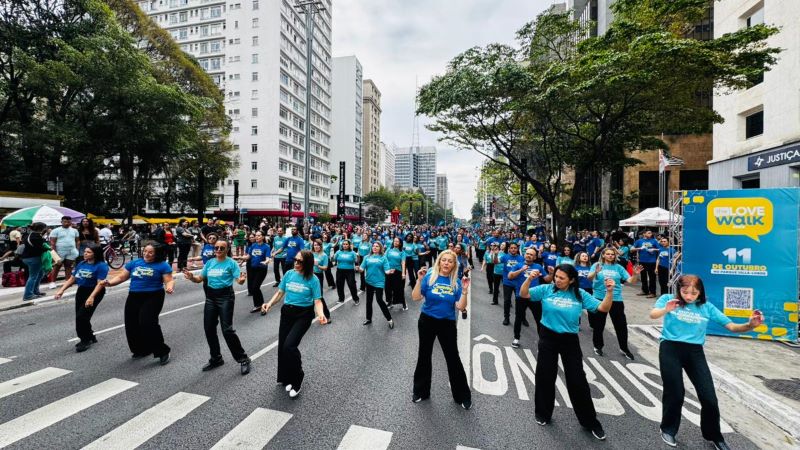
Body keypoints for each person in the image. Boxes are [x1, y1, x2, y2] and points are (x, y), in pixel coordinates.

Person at [649, 275, 763, 450]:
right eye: (685, 292)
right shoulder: (667, 299)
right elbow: (653, 315)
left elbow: (732, 327)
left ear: (700, 292)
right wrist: (666, 309)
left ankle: (713, 435)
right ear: (678, 289)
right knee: (675, 392)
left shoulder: (706, 307)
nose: (689, 296)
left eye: (694, 293)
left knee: (709, 396)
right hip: (670, 348)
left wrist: (750, 325)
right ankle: (668, 429)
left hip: (695, 352)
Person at [519, 264, 615, 441]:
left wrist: (609, 292)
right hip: (547, 337)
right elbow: (524, 294)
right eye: (556, 276)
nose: (557, 280)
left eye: (562, 278)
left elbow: (603, 308)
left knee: (577, 380)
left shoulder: (579, 294)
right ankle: (543, 413)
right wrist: (529, 279)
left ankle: (590, 421)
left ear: (571, 280)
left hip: (570, 340)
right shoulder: (547, 289)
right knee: (545, 376)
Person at [261, 250, 328, 398]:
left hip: (303, 315)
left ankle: (298, 377)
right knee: (283, 348)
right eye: (295, 260)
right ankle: (287, 378)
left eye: (300, 261)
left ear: (308, 264)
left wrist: (321, 314)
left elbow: (317, 300)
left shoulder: (313, 279)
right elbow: (280, 293)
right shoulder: (289, 274)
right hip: (287, 313)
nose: (296, 263)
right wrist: (269, 304)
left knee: (290, 346)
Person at [410, 250, 471, 410]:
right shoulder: (430, 276)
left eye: (450, 261)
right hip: (427, 320)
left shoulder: (456, 282)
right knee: (424, 355)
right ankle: (421, 391)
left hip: (447, 323)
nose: (446, 263)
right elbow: (416, 297)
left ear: (454, 265)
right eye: (443, 260)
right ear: (439, 262)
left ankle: (462, 395)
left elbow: (460, 307)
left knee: (453, 358)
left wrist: (464, 291)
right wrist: (419, 280)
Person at [183, 239, 251, 375]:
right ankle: (216, 358)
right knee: (209, 328)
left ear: (227, 250)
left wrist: (242, 279)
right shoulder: (210, 263)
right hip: (211, 297)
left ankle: (243, 359)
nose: (218, 250)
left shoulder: (231, 263)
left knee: (227, 330)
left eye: (221, 248)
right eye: (216, 248)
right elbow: (199, 279)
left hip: (225, 297)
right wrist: (191, 277)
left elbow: (240, 280)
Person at [101, 244, 174, 365]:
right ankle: (141, 349)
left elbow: (169, 280)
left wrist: (169, 287)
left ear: (157, 253)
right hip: (134, 295)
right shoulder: (134, 263)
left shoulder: (162, 265)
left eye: (150, 252)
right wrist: (109, 283)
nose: (146, 254)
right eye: (145, 251)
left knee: (147, 322)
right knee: (131, 323)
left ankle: (162, 351)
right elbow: (121, 277)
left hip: (153, 296)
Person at [587, 247, 642, 359]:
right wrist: (595, 273)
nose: (611, 256)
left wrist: (635, 274)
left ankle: (624, 348)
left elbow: (630, 281)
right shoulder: (597, 265)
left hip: (616, 299)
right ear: (603, 255)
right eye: (608, 254)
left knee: (621, 325)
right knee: (599, 324)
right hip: (599, 298)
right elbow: (589, 278)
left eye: (612, 254)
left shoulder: (618, 267)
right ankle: (598, 346)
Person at [54, 244, 109, 352]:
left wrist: (91, 297)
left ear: (95, 254)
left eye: (88, 252)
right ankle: (90, 336)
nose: (85, 254)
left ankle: (85, 340)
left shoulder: (101, 266)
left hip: (95, 291)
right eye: (85, 252)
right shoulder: (82, 264)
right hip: (82, 291)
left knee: (82, 316)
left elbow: (100, 284)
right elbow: (72, 279)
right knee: (81, 315)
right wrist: (61, 290)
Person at [509, 247, 551, 349]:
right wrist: (521, 270)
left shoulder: (538, 267)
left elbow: (547, 280)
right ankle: (516, 338)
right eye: (527, 253)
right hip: (521, 296)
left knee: (539, 319)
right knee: (518, 318)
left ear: (535, 257)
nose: (528, 255)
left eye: (531, 254)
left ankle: (542, 341)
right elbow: (510, 276)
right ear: (524, 255)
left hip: (535, 297)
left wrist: (551, 273)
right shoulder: (518, 265)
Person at [357, 241, 394, 328]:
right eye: (373, 246)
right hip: (369, 281)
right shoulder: (367, 257)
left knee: (379, 300)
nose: (374, 247)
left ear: (380, 248)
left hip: (379, 282)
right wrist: (358, 268)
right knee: (368, 301)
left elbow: (386, 270)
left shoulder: (383, 258)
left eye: (377, 246)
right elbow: (362, 269)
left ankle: (390, 319)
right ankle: (368, 319)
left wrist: (390, 272)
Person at [243, 231, 271, 313]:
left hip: (261, 269)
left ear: (263, 237)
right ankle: (258, 305)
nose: (257, 237)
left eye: (259, 236)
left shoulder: (266, 247)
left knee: (255, 287)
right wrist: (240, 257)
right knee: (253, 288)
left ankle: (261, 305)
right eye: (256, 236)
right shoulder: (253, 245)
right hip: (252, 269)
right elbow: (248, 256)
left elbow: (268, 257)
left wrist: (266, 261)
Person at [498, 241, 525, 326]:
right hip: (507, 282)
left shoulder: (521, 258)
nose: (513, 249)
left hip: (519, 283)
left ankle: (522, 318)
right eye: (511, 248)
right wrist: (495, 253)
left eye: (515, 248)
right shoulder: (505, 257)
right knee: (507, 301)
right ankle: (506, 317)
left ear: (517, 249)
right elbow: (495, 262)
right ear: (509, 249)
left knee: (520, 301)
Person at [49, 216, 80, 289]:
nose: (67, 223)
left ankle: (67, 281)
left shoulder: (74, 230)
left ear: (71, 222)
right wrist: (55, 254)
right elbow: (52, 243)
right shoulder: (55, 230)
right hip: (59, 251)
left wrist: (77, 250)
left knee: (69, 266)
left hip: (71, 251)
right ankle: (52, 282)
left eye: (68, 222)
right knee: (57, 266)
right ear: (61, 222)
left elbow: (77, 241)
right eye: (65, 221)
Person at [20, 222, 47, 301]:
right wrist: (47, 249)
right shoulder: (36, 237)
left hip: (27, 257)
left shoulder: (28, 235)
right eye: (45, 228)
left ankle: (35, 291)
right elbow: (40, 248)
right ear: (41, 229)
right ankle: (28, 295)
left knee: (40, 274)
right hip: (33, 258)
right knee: (33, 276)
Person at [632, 229, 659, 298]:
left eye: (651, 233)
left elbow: (659, 249)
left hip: (652, 261)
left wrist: (653, 250)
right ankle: (644, 290)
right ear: (644, 234)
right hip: (642, 261)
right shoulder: (639, 241)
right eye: (649, 233)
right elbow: (631, 249)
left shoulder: (654, 241)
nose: (651, 234)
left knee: (652, 277)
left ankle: (653, 292)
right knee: (643, 277)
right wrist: (640, 248)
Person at [310, 240, 332, 322]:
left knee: (319, 296)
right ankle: (311, 314)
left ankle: (327, 315)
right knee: (310, 295)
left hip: (318, 276)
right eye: (314, 245)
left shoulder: (324, 255)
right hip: (310, 275)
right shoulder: (311, 254)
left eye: (317, 245)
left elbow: (325, 267)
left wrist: (318, 265)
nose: (316, 246)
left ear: (321, 246)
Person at [332, 239, 360, 304]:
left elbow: (356, 261)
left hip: (350, 271)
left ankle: (356, 299)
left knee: (351, 284)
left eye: (346, 244)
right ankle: (341, 299)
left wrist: (357, 264)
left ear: (349, 245)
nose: (345, 245)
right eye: (344, 244)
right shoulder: (338, 252)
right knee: (339, 285)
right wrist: (333, 260)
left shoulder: (352, 253)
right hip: (340, 270)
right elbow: (334, 259)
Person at [385, 237, 406, 310]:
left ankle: (403, 303)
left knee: (398, 289)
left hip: (397, 271)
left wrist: (403, 273)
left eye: (397, 241)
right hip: (388, 271)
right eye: (394, 241)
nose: (395, 242)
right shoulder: (389, 249)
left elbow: (403, 263)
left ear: (400, 243)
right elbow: (384, 259)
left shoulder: (402, 252)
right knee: (387, 288)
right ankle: (389, 302)